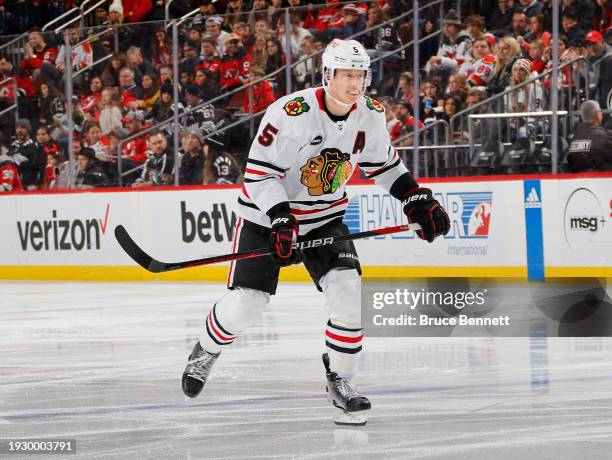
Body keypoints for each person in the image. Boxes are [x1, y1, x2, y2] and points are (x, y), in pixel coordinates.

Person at [180, 39, 450, 425]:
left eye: (361, 75)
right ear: (327, 75)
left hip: (324, 218)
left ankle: (341, 380)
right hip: (265, 217)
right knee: (249, 303)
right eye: (347, 75)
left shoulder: (370, 114)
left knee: (349, 292)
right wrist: (280, 218)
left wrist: (414, 197)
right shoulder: (292, 113)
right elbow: (259, 174)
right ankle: (205, 350)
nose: (355, 84)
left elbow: (384, 166)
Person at [567, 100, 612, 171]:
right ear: (598, 114)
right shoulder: (603, 135)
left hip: (577, 176)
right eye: (601, 111)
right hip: (601, 177)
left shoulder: (573, 135)